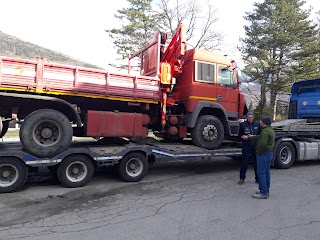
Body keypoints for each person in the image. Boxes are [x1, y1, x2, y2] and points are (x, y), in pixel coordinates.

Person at [242, 116, 275, 199]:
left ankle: (263, 193)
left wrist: (258, 152)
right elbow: (259, 137)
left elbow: (263, 144)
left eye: (261, 121)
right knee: (266, 173)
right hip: (269, 153)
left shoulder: (265, 132)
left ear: (264, 123)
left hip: (263, 154)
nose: (260, 122)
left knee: (261, 173)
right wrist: (250, 137)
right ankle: (265, 190)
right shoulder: (270, 130)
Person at [238, 112, 261, 185]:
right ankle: (242, 178)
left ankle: (257, 178)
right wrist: (242, 137)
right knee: (244, 162)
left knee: (256, 163)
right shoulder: (243, 125)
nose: (250, 118)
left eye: (251, 117)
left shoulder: (257, 124)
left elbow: (260, 135)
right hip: (246, 146)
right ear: (247, 118)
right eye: (249, 117)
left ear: (253, 117)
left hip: (255, 146)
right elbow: (239, 135)